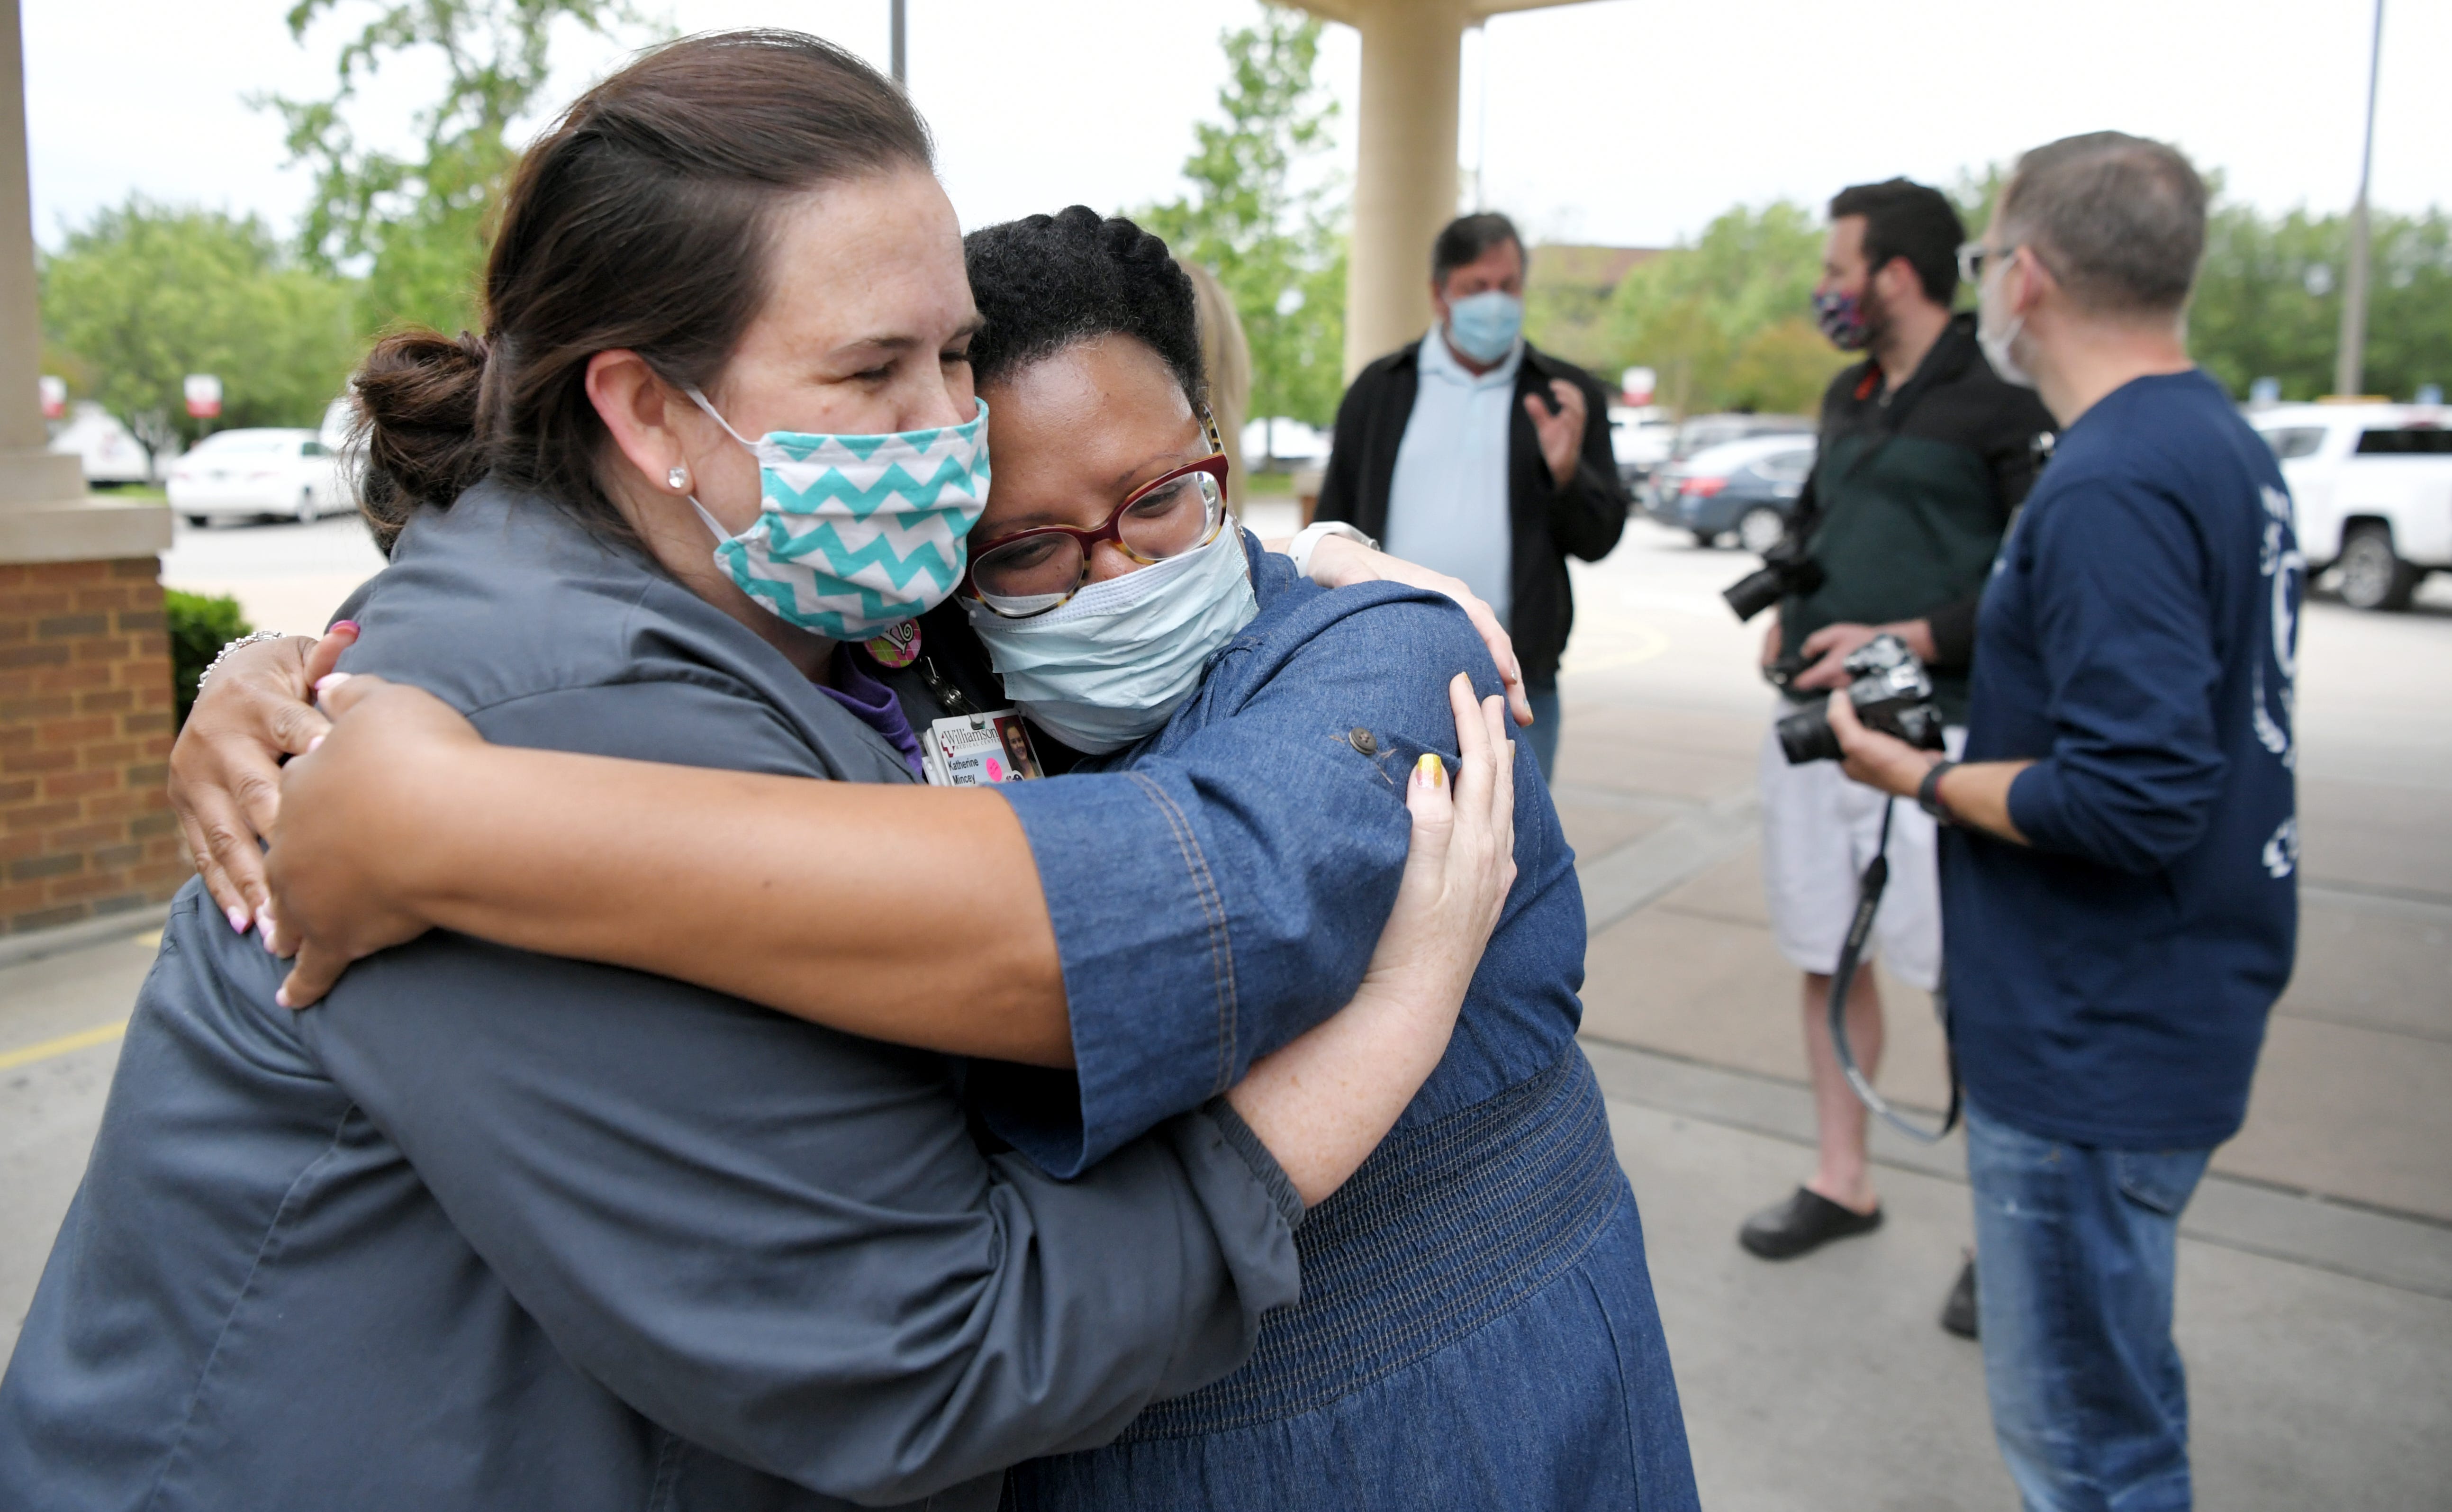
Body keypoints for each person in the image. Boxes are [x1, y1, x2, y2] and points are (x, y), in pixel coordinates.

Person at [0, 36, 1521, 1512]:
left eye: (957, 355)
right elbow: (939, 1358)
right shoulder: (543, 710)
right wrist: (1371, 1033)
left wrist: (1321, 570)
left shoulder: (815, 608)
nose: (951, 432)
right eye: (874, 371)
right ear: (650, 411)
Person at [1826, 131, 2298, 1511]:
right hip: (2163, 1005)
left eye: (1985, 263)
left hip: (2097, 1038)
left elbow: (2135, 791)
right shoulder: (2215, 440)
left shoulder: (2111, 480)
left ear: (2023, 277)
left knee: (2089, 1451)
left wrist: (1907, 773)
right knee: (2118, 1408)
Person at [1736, 181, 2054, 1318]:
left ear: (1898, 274)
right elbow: (1818, 524)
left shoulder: (2003, 397)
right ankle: (1843, 1176)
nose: (1828, 285)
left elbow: (2036, 577)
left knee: (1968, 974)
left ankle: (1999, 1232)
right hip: (1823, 719)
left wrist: (1910, 635)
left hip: (1948, 726)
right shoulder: (1849, 389)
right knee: (1826, 945)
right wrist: (1790, 596)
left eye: (1840, 265)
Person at [1312, 211, 1629, 782]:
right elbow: (1334, 523)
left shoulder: (1564, 393)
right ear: (1440, 295)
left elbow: (1599, 538)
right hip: (1389, 666)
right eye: (1476, 288)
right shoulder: (1382, 389)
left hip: (1517, 678)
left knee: (1520, 853)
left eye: (1508, 286)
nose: (1495, 303)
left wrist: (1567, 474)